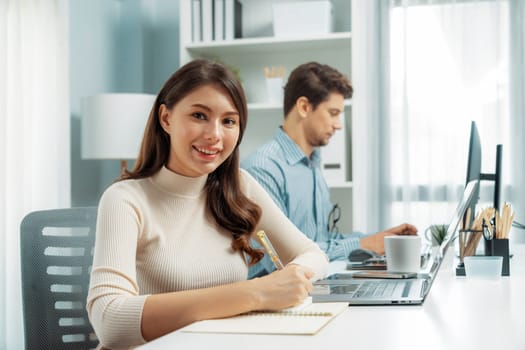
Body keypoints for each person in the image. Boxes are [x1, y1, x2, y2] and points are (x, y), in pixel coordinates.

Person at [86, 59, 328, 349]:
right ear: (166, 118)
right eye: (199, 115)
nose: (214, 134)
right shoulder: (125, 199)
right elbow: (110, 321)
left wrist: (290, 277)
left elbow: (313, 254)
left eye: (228, 121)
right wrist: (255, 293)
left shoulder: (239, 186)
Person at [241, 62, 417, 277]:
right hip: (276, 297)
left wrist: (381, 238)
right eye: (333, 113)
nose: (339, 125)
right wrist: (364, 244)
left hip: (310, 285)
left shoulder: (312, 164)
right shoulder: (263, 169)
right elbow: (280, 259)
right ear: (304, 107)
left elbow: (321, 242)